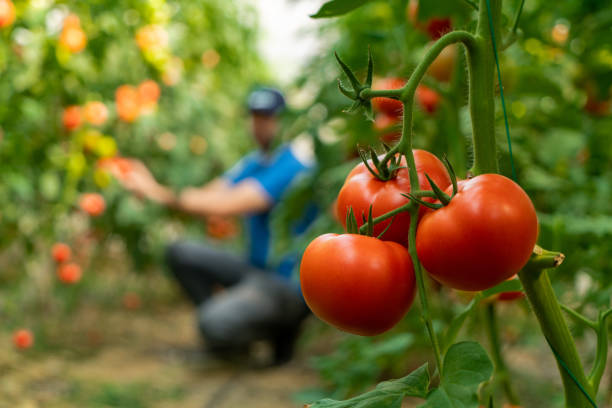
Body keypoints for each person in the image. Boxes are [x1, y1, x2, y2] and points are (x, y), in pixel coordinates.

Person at [115, 88, 315, 364]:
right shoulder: (254, 162)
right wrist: (155, 191)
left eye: (268, 118)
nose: (259, 125)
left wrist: (155, 191)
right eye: (255, 117)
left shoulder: (292, 166)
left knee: (212, 322)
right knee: (181, 251)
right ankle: (235, 336)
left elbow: (229, 204)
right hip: (256, 269)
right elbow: (210, 195)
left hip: (287, 284)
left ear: (285, 121)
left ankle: (278, 330)